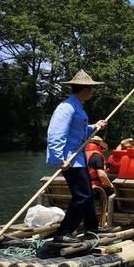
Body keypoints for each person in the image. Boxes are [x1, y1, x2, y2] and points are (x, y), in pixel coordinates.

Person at [46, 70, 108, 244]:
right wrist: (59, 159)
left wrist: (95, 126)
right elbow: (55, 134)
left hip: (79, 158)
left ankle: (92, 228)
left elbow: (79, 130)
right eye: (91, 89)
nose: (93, 92)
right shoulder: (66, 107)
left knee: (86, 194)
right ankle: (62, 233)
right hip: (70, 159)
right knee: (82, 196)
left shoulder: (77, 106)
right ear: (85, 89)